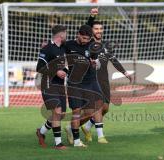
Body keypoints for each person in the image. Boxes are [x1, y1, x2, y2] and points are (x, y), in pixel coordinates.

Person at [80, 8, 133, 143]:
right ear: (91, 31)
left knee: (105, 109)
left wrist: (125, 72)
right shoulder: (88, 44)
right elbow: (86, 26)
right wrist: (92, 16)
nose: (98, 31)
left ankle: (82, 127)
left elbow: (113, 60)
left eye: (100, 29)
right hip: (92, 81)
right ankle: (101, 136)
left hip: (104, 81)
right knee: (97, 107)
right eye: (95, 28)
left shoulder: (105, 45)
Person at [65, 25, 105, 147]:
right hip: (74, 83)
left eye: (88, 39)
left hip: (89, 81)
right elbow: (59, 59)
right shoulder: (68, 45)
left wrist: (95, 63)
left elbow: (96, 62)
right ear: (78, 34)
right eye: (83, 38)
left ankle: (71, 128)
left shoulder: (92, 45)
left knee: (91, 111)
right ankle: (77, 141)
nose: (85, 41)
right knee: (76, 111)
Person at [36, 25, 67, 150]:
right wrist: (56, 72)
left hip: (59, 85)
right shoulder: (47, 49)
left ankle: (41, 132)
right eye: (65, 33)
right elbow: (39, 68)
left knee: (62, 114)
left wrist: (65, 71)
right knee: (57, 111)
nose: (66, 35)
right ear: (61, 35)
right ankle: (58, 143)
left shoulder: (63, 48)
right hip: (48, 84)